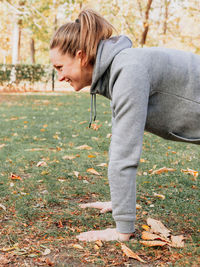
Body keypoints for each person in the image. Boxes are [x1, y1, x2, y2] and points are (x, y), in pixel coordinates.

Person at [49, 9, 200, 241]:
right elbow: (120, 141)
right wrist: (119, 202)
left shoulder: (129, 69)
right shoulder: (118, 69)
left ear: (80, 56)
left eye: (60, 67)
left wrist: (122, 228)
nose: (59, 77)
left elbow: (124, 154)